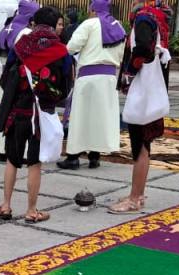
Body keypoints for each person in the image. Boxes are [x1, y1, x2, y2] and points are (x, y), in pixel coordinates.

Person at [0, 6, 72, 224]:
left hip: (17, 111)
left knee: (12, 158)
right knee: (34, 163)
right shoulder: (61, 51)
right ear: (52, 24)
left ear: (34, 23)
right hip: (41, 114)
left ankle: (6, 206)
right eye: (59, 23)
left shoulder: (20, 47)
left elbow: (5, 79)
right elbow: (66, 88)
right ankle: (31, 210)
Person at [108, 1, 170, 214]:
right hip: (151, 89)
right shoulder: (156, 17)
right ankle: (138, 193)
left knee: (140, 145)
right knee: (144, 143)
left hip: (143, 90)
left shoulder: (144, 18)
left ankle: (134, 198)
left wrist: (130, 73)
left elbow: (143, 49)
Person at [57, 0, 126, 170]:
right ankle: (95, 157)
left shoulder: (89, 24)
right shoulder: (119, 27)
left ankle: (73, 157)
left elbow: (71, 47)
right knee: (99, 118)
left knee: (80, 117)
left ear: (93, 10)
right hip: (109, 78)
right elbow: (123, 54)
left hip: (88, 78)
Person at [0, 0, 37, 163]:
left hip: (5, 76)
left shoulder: (7, 28)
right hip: (19, 81)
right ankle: (17, 151)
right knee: (18, 115)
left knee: (4, 111)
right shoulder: (25, 32)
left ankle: (2, 149)